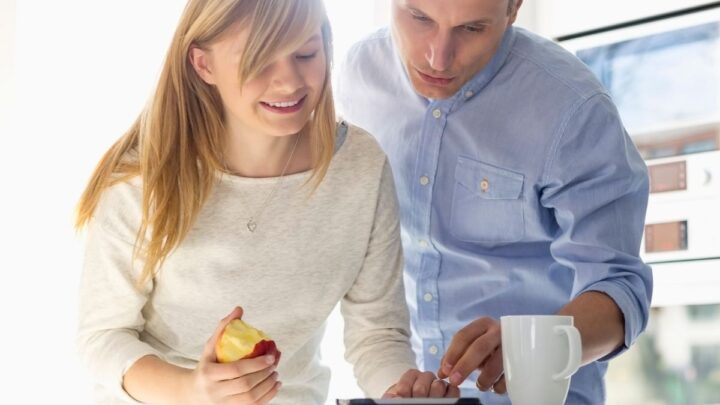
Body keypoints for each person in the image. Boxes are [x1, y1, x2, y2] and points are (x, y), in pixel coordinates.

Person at [74, 0, 459, 403]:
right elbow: (103, 338)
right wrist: (191, 390)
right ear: (204, 65)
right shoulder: (142, 180)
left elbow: (377, 335)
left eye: (306, 54)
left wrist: (401, 391)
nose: (289, 81)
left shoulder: (360, 166)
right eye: (260, 60)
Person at [336, 0, 653, 403]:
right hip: (396, 387)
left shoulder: (574, 109)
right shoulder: (358, 73)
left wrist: (539, 346)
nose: (438, 56)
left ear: (514, 8)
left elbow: (620, 288)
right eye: (419, 18)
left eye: (471, 29)